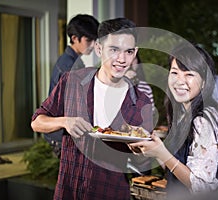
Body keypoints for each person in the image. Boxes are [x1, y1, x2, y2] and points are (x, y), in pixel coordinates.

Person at [31, 17, 153, 200]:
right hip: (68, 191)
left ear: (135, 52)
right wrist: (64, 121)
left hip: (110, 192)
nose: (122, 59)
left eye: (129, 51)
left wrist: (142, 148)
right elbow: (36, 122)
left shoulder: (141, 101)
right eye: (114, 50)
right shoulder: (72, 81)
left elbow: (143, 162)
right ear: (98, 48)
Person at [129, 42, 218, 199]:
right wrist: (152, 148)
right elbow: (176, 168)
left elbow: (201, 186)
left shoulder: (204, 120)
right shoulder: (183, 115)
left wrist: (162, 153)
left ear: (205, 81)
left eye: (189, 74)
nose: (180, 81)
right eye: (175, 73)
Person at [45, 14, 99, 157]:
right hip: (64, 135)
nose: (93, 45)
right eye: (88, 40)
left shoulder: (74, 61)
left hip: (66, 132)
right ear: (75, 38)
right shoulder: (69, 65)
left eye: (95, 40)